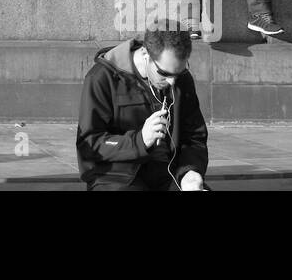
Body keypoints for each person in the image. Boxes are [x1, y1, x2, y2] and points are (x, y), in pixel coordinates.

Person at [76, 25, 208, 191]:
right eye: (164, 73)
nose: (172, 82)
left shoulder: (181, 78)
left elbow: (194, 137)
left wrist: (191, 172)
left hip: (168, 173)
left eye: (179, 73)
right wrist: (141, 140)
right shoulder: (102, 78)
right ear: (145, 54)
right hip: (115, 176)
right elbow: (89, 144)